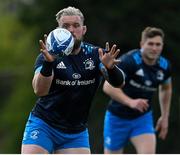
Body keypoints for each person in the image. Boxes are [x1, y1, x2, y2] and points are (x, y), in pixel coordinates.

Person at [21, 6, 125, 154]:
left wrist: (111, 69)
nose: (71, 30)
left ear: (83, 30)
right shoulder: (49, 56)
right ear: (58, 30)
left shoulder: (97, 55)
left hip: (75, 133)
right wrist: (48, 64)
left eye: (76, 25)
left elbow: (119, 83)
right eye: (65, 26)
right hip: (44, 125)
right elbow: (40, 90)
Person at [103, 27, 172, 154]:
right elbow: (107, 87)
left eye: (158, 44)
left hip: (142, 118)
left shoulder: (165, 66)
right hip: (117, 117)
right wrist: (131, 102)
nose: (154, 48)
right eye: (150, 44)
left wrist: (165, 116)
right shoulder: (129, 61)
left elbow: (166, 88)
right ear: (142, 44)